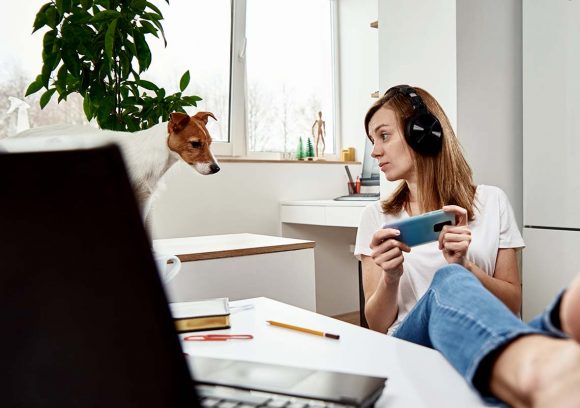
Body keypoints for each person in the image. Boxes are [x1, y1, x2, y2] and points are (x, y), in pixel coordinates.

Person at [355, 85, 580, 405]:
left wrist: (467, 266)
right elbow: (377, 326)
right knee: (449, 279)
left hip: (471, 343)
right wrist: (391, 277)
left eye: (384, 136)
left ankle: (536, 363)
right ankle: (533, 362)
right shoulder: (376, 217)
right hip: (413, 345)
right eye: (372, 140)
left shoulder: (492, 202)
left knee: (528, 331)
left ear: (424, 132)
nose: (375, 150)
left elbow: (512, 303)